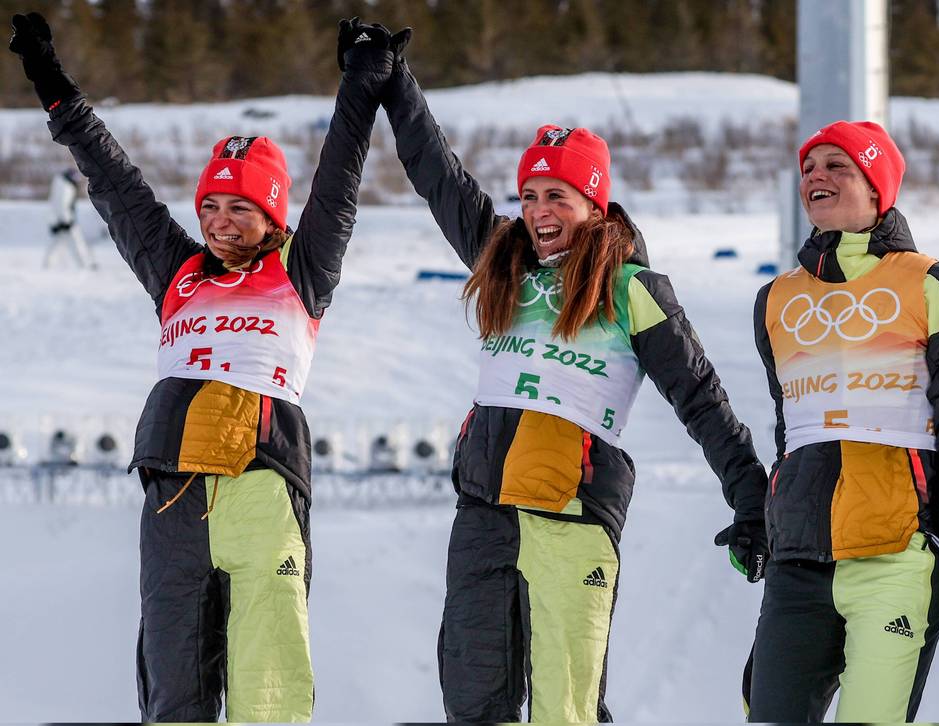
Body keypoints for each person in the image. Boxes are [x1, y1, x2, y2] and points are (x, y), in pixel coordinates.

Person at [8, 12, 407, 722]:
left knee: (270, 694)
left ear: (273, 215)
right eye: (211, 206)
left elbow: (340, 172)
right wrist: (53, 87)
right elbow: (114, 182)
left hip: (263, 489)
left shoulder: (301, 269)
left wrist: (362, 79)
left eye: (240, 208)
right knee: (175, 699)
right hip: (173, 501)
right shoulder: (177, 271)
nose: (220, 221)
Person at [379, 55, 769, 723]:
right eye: (529, 196)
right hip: (483, 515)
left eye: (556, 196)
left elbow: (703, 401)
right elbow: (439, 177)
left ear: (594, 203)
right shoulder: (502, 259)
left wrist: (755, 505)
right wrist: (395, 85)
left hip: (573, 515)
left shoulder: (631, 288)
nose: (537, 212)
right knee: (473, 705)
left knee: (568, 710)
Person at [746, 121, 939, 722]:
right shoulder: (777, 298)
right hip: (799, 565)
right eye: (808, 168)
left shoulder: (932, 284)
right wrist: (765, 519)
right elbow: (792, 434)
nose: (816, 177)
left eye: (837, 166)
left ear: (877, 186)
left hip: (896, 556)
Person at [45, 166, 96, 268]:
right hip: (66, 222)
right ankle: (86, 264)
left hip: (59, 221)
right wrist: (66, 221)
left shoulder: (59, 184)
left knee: (57, 244)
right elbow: (62, 204)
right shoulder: (66, 187)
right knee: (77, 242)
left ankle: (47, 265)